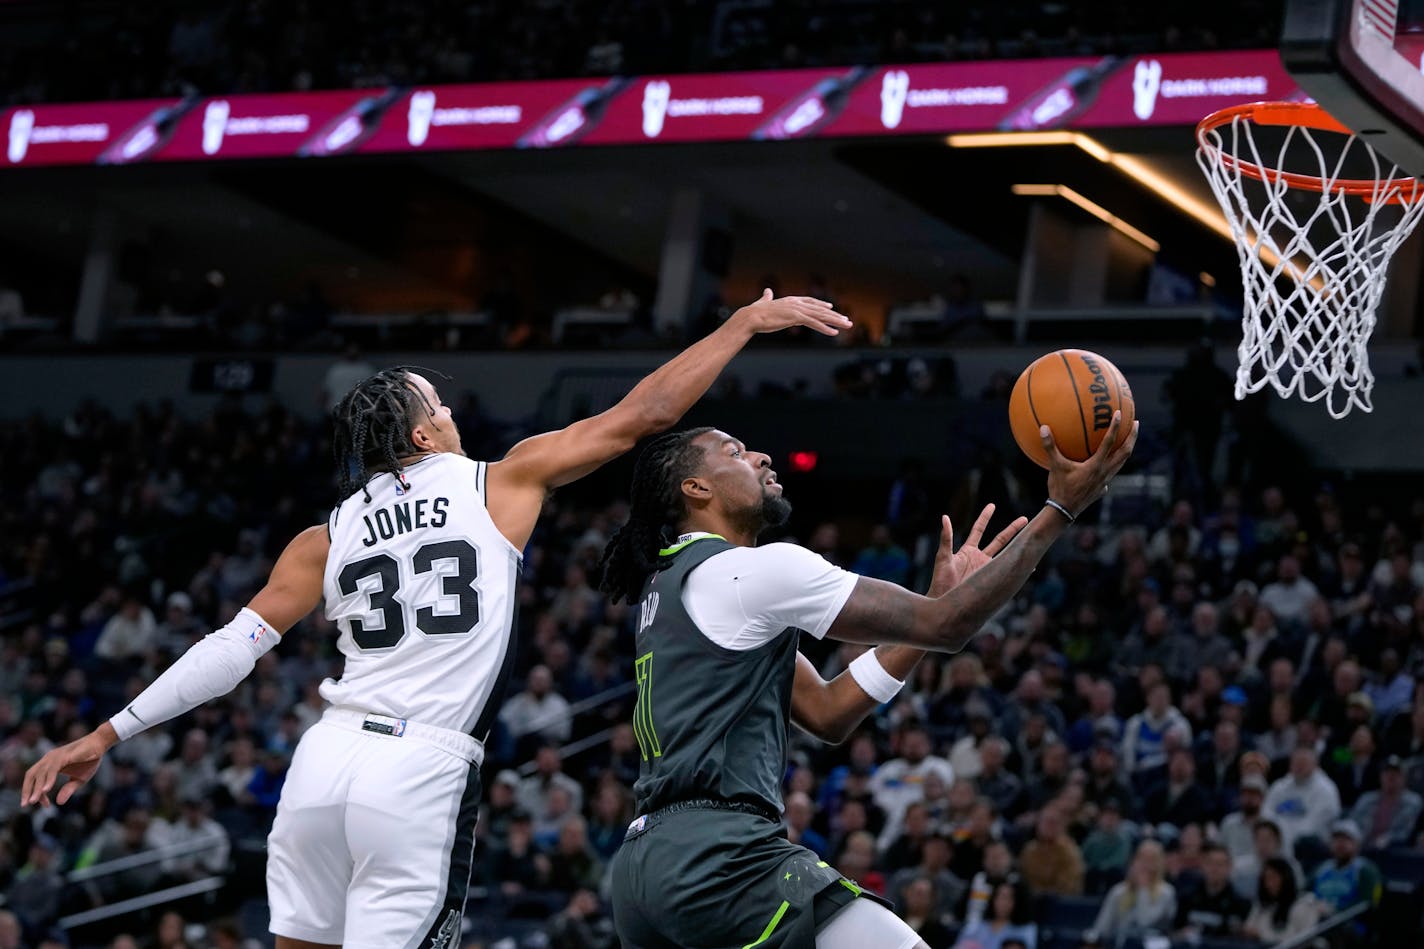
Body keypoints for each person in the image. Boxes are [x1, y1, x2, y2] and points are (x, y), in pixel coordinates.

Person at [22, 291, 854, 949]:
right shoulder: (498, 480)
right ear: (425, 431)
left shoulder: (324, 534)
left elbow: (229, 651)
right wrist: (744, 321)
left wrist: (106, 734)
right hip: (418, 769)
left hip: (322, 762)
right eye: (441, 406)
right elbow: (644, 417)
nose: (455, 413)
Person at [600, 415, 1134, 948]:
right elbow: (946, 625)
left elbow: (829, 713)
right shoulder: (753, 572)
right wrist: (1060, 510)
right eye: (736, 451)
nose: (761, 457)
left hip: (643, 871)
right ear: (696, 488)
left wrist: (936, 613)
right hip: (717, 856)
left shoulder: (670, 588)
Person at [1084, 840, 1176, 948]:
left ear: (1158, 864)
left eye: (1150, 860)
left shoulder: (1166, 892)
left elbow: (1144, 922)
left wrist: (1143, 889)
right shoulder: (1119, 891)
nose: (1144, 864)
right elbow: (1102, 927)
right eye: (1141, 859)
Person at [1244, 857, 1320, 943]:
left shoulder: (1303, 905)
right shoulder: (1262, 905)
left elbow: (1303, 940)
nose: (1269, 883)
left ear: (1285, 878)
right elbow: (1249, 928)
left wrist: (1262, 935)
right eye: (1266, 878)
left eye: (1274, 877)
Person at [952, 881, 1037, 949]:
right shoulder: (976, 927)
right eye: (998, 896)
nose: (1002, 902)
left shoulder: (1026, 929)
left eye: (1007, 898)